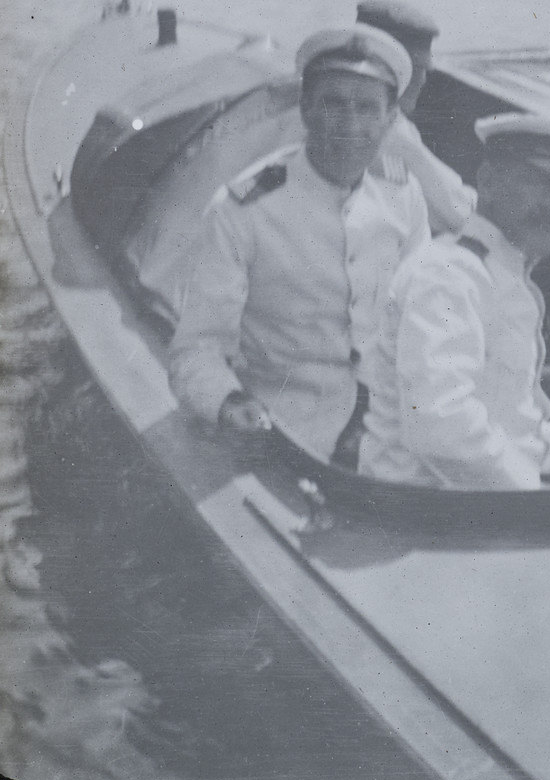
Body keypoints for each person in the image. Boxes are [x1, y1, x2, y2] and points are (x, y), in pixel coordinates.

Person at [167, 25, 429, 465]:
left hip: (391, 428)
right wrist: (229, 404)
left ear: (389, 121)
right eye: (333, 104)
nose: (349, 126)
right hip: (289, 431)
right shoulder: (244, 209)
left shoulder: (404, 197)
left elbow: (417, 326)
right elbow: (196, 350)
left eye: (367, 109)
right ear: (306, 109)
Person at [361, 114, 550, 489]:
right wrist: (538, 501)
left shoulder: (494, 274)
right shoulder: (448, 275)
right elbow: (441, 429)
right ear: (488, 181)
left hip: (471, 504)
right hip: (426, 521)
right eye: (539, 182)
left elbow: (503, 436)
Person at [353, 0, 476, 235]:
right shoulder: (389, 132)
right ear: (387, 66)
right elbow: (458, 214)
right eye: (416, 68)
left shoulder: (396, 121)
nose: (424, 80)